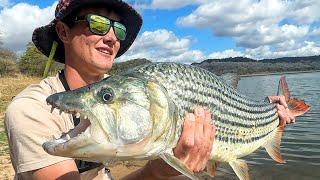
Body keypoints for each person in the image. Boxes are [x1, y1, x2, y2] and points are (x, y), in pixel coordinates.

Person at [4, 0, 294, 179]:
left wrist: (267, 112)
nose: (110, 36)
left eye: (118, 29)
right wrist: (161, 170)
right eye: (98, 22)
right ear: (63, 32)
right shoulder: (31, 110)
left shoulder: (125, 95)